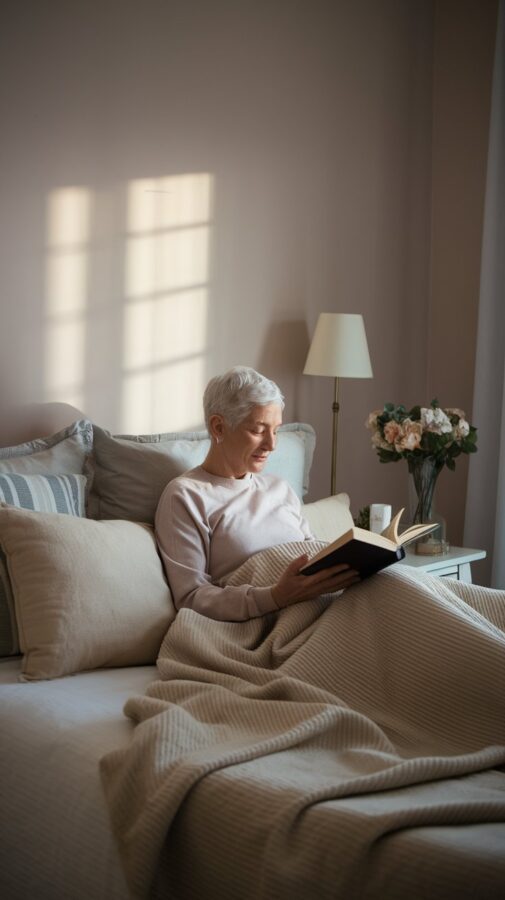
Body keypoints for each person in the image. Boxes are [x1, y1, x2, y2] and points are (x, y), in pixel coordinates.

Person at [155, 366, 358, 620]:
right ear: (218, 427)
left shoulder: (280, 489)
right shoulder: (186, 496)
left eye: (275, 431)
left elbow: (312, 557)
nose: (271, 445)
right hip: (266, 623)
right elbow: (191, 597)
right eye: (259, 430)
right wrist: (275, 596)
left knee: (394, 583)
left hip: (322, 608)